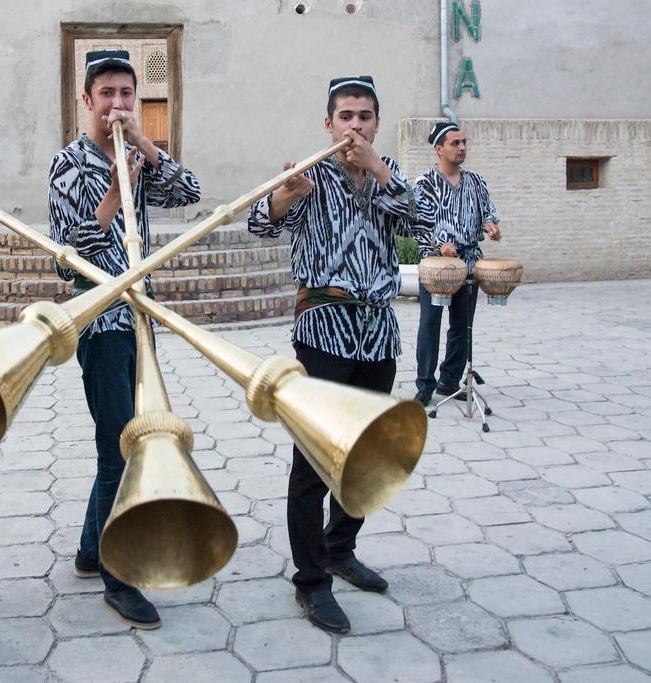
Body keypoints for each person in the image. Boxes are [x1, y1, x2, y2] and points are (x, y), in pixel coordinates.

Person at [246, 76, 430, 634]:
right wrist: (284, 197)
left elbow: (422, 223)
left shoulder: (388, 175)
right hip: (323, 328)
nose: (354, 126)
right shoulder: (310, 173)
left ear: (377, 123)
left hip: (378, 333)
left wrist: (378, 169)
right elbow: (259, 222)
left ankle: (340, 547)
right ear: (328, 123)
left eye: (365, 116)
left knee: (366, 452)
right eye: (345, 115)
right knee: (314, 460)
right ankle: (312, 580)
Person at [47, 50, 201, 629]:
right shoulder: (68, 165)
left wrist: (146, 147)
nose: (116, 105)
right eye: (106, 94)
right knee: (122, 448)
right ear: (86, 100)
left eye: (126, 95)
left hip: (142, 324)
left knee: (121, 446)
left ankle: (92, 551)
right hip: (103, 327)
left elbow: (190, 191)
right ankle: (119, 576)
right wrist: (115, 190)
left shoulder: (139, 155)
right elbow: (68, 261)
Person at [412, 121, 502, 406]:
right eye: (455, 143)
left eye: (464, 142)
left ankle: (449, 381)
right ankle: (424, 386)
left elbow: (488, 211)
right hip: (436, 265)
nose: (462, 147)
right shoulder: (425, 183)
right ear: (439, 149)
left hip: (469, 262)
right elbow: (417, 223)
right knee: (430, 323)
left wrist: (490, 225)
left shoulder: (476, 181)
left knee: (463, 325)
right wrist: (441, 245)